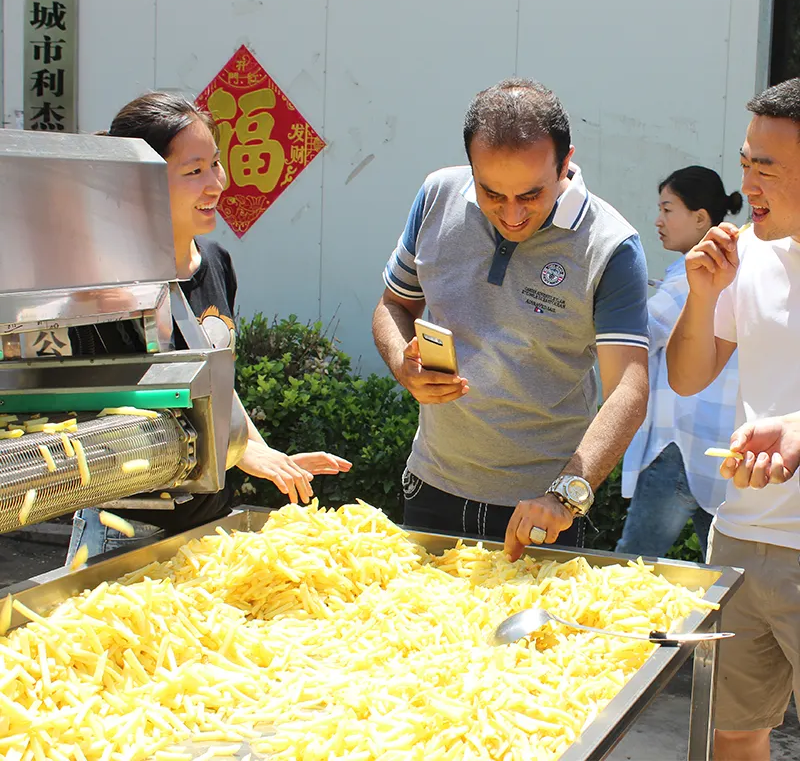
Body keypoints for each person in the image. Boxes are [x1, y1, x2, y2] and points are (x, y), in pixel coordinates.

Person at [372, 78, 650, 562]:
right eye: (492, 193)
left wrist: (566, 495)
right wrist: (403, 364)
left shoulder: (610, 246)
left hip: (541, 507)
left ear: (565, 163)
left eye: (530, 194)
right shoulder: (437, 195)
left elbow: (629, 388)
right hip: (431, 486)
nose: (512, 214)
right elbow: (394, 305)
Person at [65, 93, 351, 561]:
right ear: (142, 184)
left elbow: (215, 381)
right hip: (127, 531)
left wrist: (259, 451)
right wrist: (239, 454)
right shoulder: (107, 287)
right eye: (194, 171)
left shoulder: (216, 262)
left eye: (215, 164)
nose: (217, 183)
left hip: (211, 520)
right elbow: (133, 420)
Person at [666, 78, 800, 761]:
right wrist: (701, 294)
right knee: (733, 733)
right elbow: (688, 375)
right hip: (742, 536)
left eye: (766, 167)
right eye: (745, 162)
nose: (746, 182)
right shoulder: (742, 251)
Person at [617, 167, 741, 559]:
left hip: (680, 444)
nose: (658, 220)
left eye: (668, 210)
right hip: (718, 446)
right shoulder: (730, 266)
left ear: (701, 218)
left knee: (634, 563)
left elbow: (641, 332)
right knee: (721, 569)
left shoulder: (694, 274)